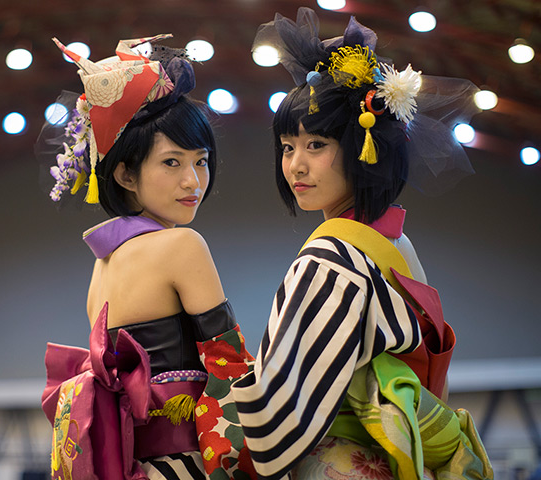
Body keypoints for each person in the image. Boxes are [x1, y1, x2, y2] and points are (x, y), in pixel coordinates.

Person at [194, 8, 494, 480]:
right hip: (402, 457)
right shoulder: (396, 243)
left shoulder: (332, 257)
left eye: (316, 145)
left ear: (361, 146)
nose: (295, 165)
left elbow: (278, 422)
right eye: (288, 147)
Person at [38, 35, 243, 480]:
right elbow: (230, 370)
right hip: (189, 466)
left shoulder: (102, 263)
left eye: (201, 161)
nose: (193, 180)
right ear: (125, 174)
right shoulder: (182, 246)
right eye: (172, 163)